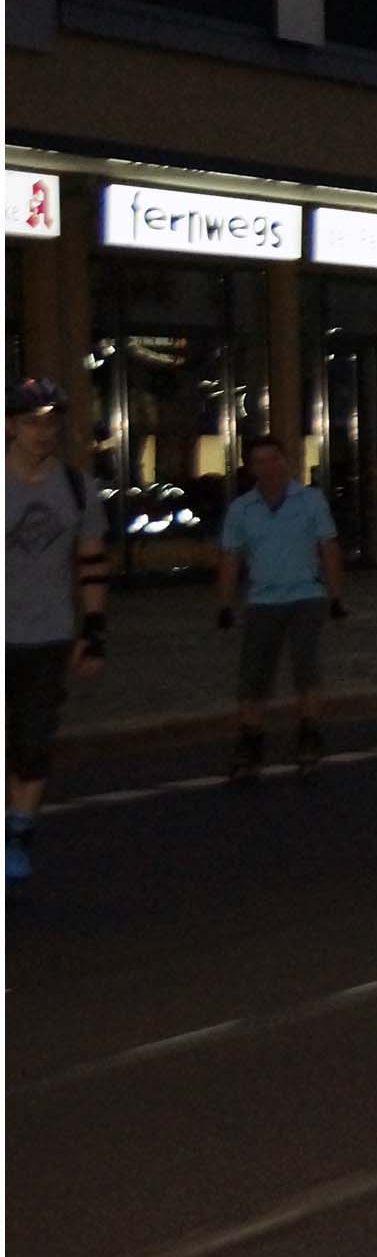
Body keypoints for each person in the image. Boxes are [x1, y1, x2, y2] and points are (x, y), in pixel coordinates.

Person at [7, 378, 111, 882]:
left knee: (33, 742)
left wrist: (93, 631)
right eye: (32, 422)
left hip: (48, 633)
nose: (43, 432)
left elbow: (91, 563)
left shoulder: (76, 488)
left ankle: (18, 832)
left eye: (51, 423)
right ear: (10, 426)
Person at [216, 434, 347, 784]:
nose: (269, 468)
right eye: (260, 462)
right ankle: (251, 739)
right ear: (250, 468)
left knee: (306, 665)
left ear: (285, 461)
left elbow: (328, 547)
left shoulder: (310, 501)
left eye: (274, 459)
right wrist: (225, 604)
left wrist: (336, 596)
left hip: (306, 595)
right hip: (262, 599)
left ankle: (309, 733)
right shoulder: (242, 509)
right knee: (253, 673)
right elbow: (230, 557)